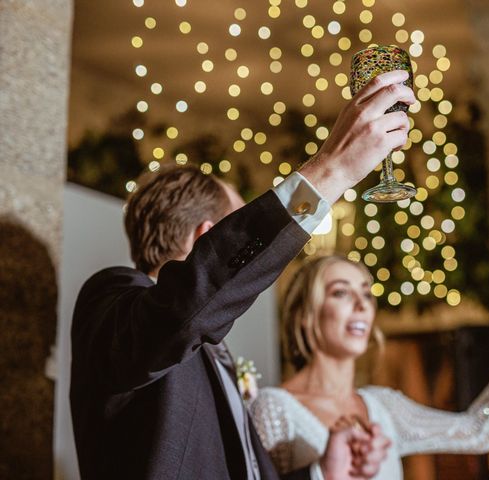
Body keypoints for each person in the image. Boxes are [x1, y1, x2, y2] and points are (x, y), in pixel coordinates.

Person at [69, 70, 415, 479]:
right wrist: (331, 171)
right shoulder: (113, 298)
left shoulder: (204, 345)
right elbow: (179, 311)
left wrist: (323, 471)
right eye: (240, 225)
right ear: (209, 238)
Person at [251, 254, 489, 478]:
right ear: (306, 315)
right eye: (341, 293)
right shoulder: (275, 409)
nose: (362, 305)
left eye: (366, 294)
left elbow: (478, 432)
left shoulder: (383, 406)